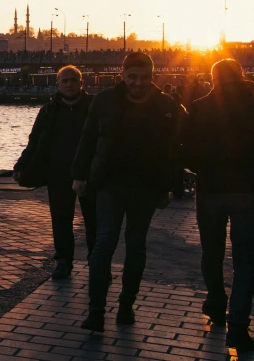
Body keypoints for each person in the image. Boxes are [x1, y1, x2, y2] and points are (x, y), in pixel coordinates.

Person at [72, 52, 184, 333]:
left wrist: (168, 187)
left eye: (144, 78)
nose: (138, 83)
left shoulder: (165, 105)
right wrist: (79, 175)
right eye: (132, 77)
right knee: (103, 245)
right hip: (109, 183)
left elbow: (173, 151)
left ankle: (126, 306)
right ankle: (96, 311)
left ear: (152, 76)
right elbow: (87, 138)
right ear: (123, 75)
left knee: (136, 245)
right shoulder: (104, 101)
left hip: (146, 186)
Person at [183, 59, 254, 350]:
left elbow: (184, 150)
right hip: (248, 191)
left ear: (213, 80)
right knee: (246, 260)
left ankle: (215, 302)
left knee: (211, 253)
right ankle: (238, 326)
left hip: (210, 190)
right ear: (241, 75)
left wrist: (203, 169)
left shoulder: (198, 108)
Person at [13, 66, 96, 280]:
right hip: (58, 172)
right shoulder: (49, 111)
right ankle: (63, 261)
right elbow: (34, 141)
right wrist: (21, 165)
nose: (69, 84)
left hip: (89, 172)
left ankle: (96, 261)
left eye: (73, 80)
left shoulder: (94, 108)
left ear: (81, 83)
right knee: (61, 218)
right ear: (58, 84)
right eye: (65, 81)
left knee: (94, 220)